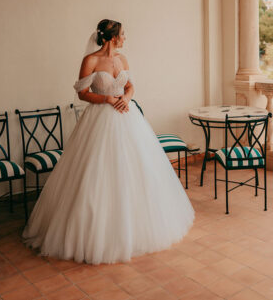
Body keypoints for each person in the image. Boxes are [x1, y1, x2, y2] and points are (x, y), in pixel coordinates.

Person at [23, 19, 194, 264]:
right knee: (97, 172)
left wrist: (126, 96)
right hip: (100, 118)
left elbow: (131, 85)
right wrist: (107, 100)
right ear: (112, 37)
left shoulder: (123, 59)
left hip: (127, 116)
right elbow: (82, 94)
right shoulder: (90, 60)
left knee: (137, 169)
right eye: (123, 34)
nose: (125, 38)